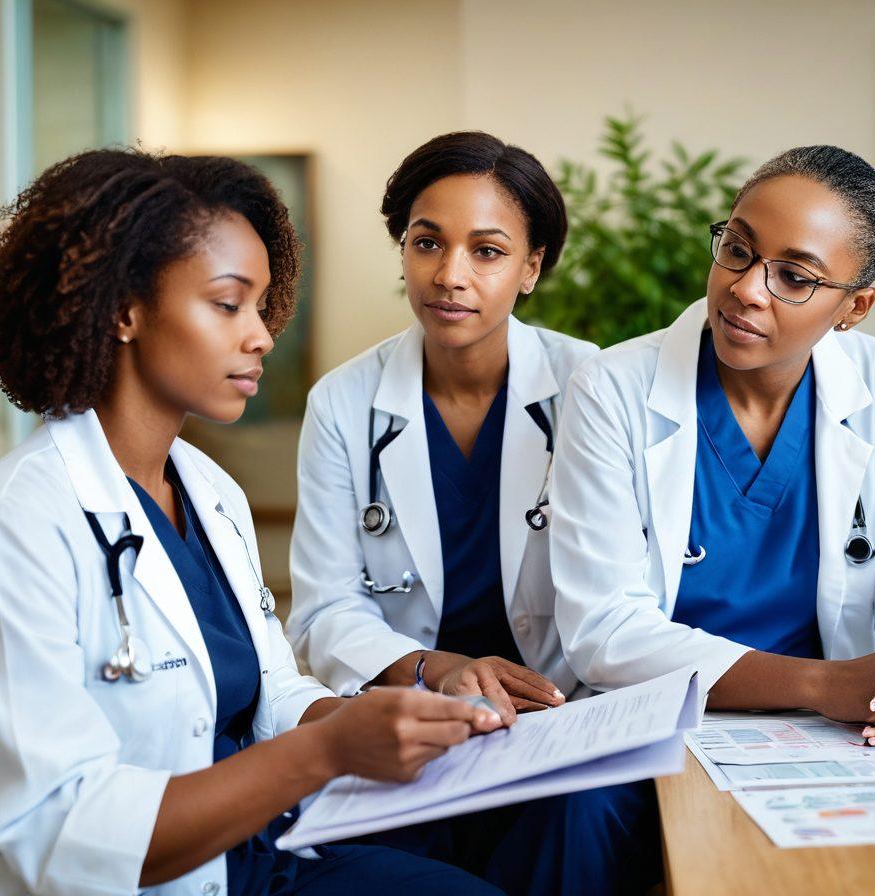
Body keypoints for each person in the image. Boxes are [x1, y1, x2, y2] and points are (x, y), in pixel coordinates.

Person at [0, 148, 503, 896]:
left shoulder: (205, 488)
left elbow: (269, 693)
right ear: (124, 309)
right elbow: (65, 837)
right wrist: (327, 752)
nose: (261, 335)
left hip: (250, 854)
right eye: (229, 304)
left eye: (262, 306)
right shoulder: (11, 528)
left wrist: (389, 717)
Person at [287, 132, 660, 895]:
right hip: (417, 715)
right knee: (339, 846)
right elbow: (324, 609)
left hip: (564, 717)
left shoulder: (592, 383)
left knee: (577, 827)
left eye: (487, 251)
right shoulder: (344, 401)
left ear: (531, 268)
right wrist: (434, 668)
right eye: (428, 243)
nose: (450, 275)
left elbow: (637, 585)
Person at [549, 145, 875, 749]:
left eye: (795, 277)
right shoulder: (612, 388)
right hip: (659, 725)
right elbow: (606, 629)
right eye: (737, 250)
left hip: (842, 738)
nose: (747, 289)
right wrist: (820, 685)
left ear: (854, 307)